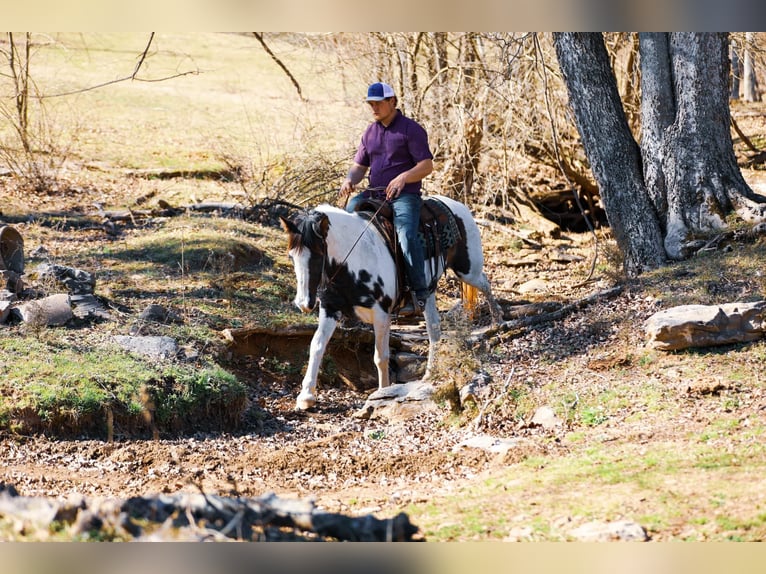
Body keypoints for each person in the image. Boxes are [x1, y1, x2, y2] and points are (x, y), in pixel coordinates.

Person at [340, 82, 434, 315]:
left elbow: (427, 166)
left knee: (406, 235)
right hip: (374, 194)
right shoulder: (370, 132)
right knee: (347, 221)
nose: (374, 108)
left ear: (392, 101)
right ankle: (349, 286)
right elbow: (359, 166)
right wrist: (349, 180)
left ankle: (418, 295)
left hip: (405, 197)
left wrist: (404, 177)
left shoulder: (411, 130)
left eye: (378, 103)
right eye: (371, 103)